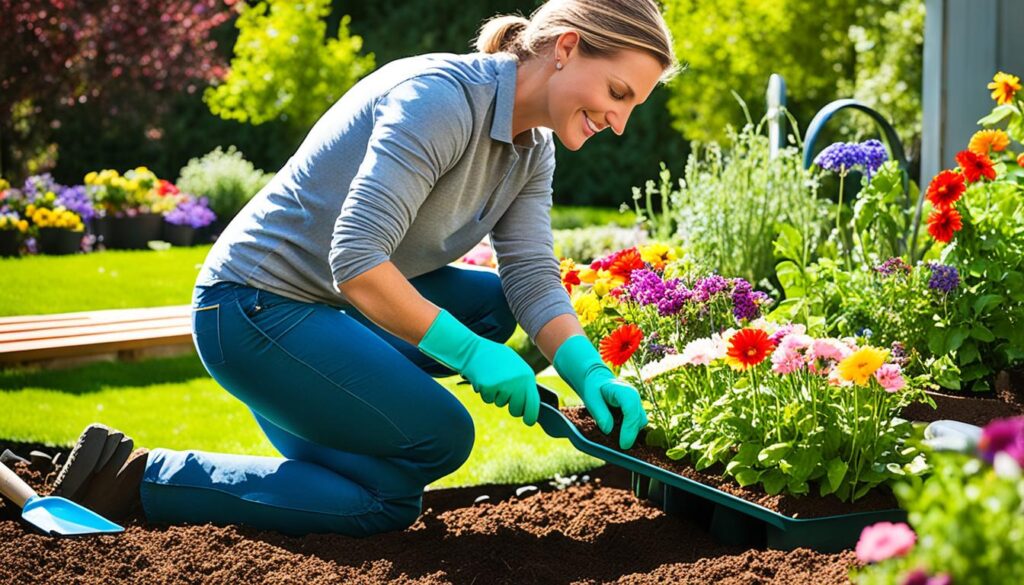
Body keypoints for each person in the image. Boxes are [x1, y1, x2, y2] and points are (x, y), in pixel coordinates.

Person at [52, 0, 680, 536]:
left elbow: (531, 278)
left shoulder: (531, 149)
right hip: (250, 309)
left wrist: (590, 374)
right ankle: (140, 479)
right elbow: (355, 260)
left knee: (386, 494)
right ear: (566, 47)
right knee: (442, 437)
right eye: (617, 94)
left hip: (328, 312)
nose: (619, 123)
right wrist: (473, 355)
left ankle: (321, 403)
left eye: (633, 107)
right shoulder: (440, 100)